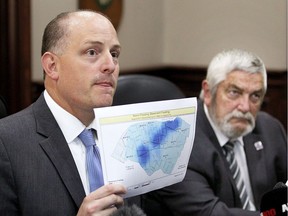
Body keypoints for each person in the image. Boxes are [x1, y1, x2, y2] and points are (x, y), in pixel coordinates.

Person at [0, 10, 127, 216]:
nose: (110, 66)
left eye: (114, 54)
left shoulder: (125, 133)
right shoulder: (6, 144)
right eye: (92, 52)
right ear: (52, 66)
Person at [142, 49, 287, 215]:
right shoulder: (173, 142)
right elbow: (209, 213)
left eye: (255, 95)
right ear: (209, 92)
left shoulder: (270, 128)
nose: (245, 107)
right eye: (234, 92)